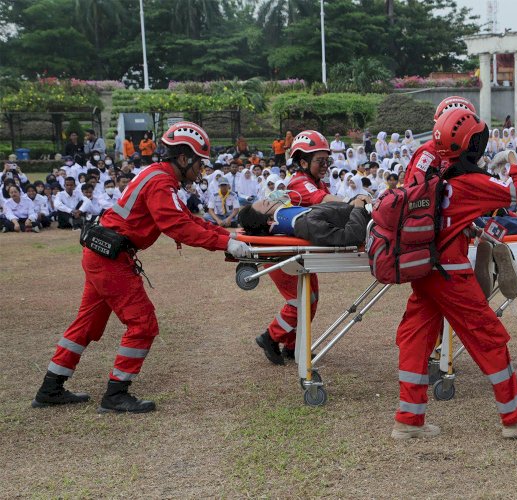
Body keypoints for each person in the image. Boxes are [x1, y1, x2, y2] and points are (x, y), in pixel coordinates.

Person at [32, 121, 252, 413]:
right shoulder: (161, 182)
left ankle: (50, 388)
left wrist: (227, 236)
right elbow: (178, 227)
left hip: (104, 254)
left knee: (86, 324)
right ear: (184, 158)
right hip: (111, 259)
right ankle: (115, 395)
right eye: (199, 163)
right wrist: (225, 244)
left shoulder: (157, 176)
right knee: (143, 323)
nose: (201, 170)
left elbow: (186, 219)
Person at [390, 108, 517, 440]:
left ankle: (408, 420)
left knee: (416, 338)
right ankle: (515, 416)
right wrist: (514, 159)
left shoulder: (429, 173)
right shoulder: (469, 182)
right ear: (471, 144)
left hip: (425, 268)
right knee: (488, 336)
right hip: (451, 275)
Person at [255, 130, 354, 366]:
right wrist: (354, 202)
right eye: (320, 161)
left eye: (327, 161)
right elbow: (325, 201)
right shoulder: (301, 182)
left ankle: (292, 346)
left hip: (296, 253)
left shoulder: (314, 182)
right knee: (301, 301)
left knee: (312, 299)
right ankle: (270, 337)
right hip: (280, 253)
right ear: (303, 162)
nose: (325, 166)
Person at [238, 196, 370, 245]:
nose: (274, 199)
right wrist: (358, 208)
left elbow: (340, 212)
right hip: (377, 225)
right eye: (268, 203)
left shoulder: (304, 215)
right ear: (270, 220)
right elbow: (352, 236)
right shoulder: (306, 223)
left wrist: (355, 200)